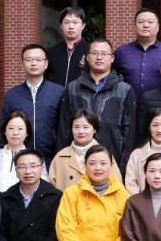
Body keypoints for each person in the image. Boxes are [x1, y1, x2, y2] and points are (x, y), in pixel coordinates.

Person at [55, 38, 137, 168]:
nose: (99, 57)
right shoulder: (72, 88)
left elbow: (129, 133)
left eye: (104, 54)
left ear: (112, 58)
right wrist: (63, 161)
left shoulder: (124, 90)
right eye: (95, 53)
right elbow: (63, 129)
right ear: (88, 57)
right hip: (77, 162)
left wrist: (123, 166)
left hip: (112, 160)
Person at [0, 43, 63, 163]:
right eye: (28, 60)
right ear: (22, 64)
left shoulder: (59, 92)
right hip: (19, 159)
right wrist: (2, 158)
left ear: (46, 64)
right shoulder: (12, 95)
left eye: (38, 59)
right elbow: (3, 130)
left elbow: (64, 127)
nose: (33, 63)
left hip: (51, 158)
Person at [49, 109, 123, 191]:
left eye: (85, 127)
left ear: (94, 129)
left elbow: (118, 186)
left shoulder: (105, 155)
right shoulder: (60, 157)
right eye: (76, 127)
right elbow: (51, 189)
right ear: (71, 129)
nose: (81, 131)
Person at [114, 7, 161, 100]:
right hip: (128, 105)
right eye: (141, 22)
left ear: (158, 27)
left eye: (150, 22)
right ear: (134, 26)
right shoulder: (121, 52)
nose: (146, 25)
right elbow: (111, 78)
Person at [0, 110, 30, 192]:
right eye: (11, 128)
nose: (15, 133)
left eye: (20, 129)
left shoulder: (35, 158)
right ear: (5, 131)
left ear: (27, 133)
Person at [45, 6, 89, 87]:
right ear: (61, 26)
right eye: (66, 22)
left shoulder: (91, 51)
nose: (71, 26)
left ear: (83, 25)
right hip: (56, 94)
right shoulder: (51, 52)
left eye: (75, 22)